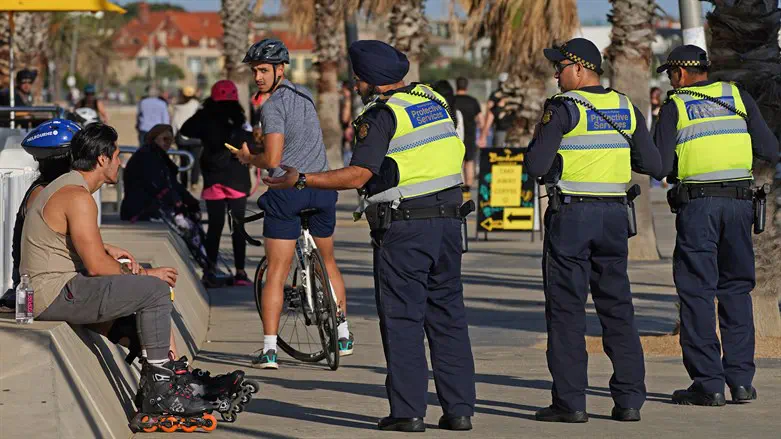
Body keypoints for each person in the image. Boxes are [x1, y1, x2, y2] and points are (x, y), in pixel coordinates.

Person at [252, 40, 476, 432]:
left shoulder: (383, 115)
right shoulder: (432, 101)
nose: (354, 85)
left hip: (406, 229)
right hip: (449, 223)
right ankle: (459, 411)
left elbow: (358, 175)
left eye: (357, 79)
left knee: (403, 319)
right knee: (449, 318)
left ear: (368, 81)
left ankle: (408, 413)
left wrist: (302, 178)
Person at [18, 123, 215, 423]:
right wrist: (148, 277)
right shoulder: (77, 196)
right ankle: (161, 390)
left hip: (46, 290)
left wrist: (118, 259)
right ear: (102, 160)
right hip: (51, 293)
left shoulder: (66, 187)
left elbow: (80, 248)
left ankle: (171, 378)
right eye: (117, 156)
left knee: (135, 308)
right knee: (155, 291)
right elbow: (97, 267)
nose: (120, 163)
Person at [524, 38, 662, 423]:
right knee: (617, 309)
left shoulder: (564, 108)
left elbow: (536, 165)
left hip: (572, 218)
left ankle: (570, 404)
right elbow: (652, 162)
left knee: (567, 312)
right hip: (614, 217)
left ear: (580, 69)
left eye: (560, 67)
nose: (555, 74)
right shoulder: (625, 106)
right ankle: (630, 400)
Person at [654, 45, 779, 406]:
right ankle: (741, 381)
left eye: (670, 75)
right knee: (736, 291)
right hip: (740, 205)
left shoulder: (676, 106)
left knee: (696, 293)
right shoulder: (736, 96)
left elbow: (661, 167)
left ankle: (708, 383)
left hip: (699, 208)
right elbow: (770, 149)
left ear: (679, 74)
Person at [232, 38, 351, 369]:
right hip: (321, 187)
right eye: (254, 71)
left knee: (278, 271)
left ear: (280, 69)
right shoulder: (306, 94)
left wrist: (247, 157)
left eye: (263, 70)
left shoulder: (271, 106)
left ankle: (270, 350)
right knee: (327, 261)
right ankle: (343, 333)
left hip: (287, 192)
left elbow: (272, 158)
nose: (257, 77)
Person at [180, 80, 253, 287]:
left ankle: (209, 270)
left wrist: (204, 112)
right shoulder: (239, 120)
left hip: (213, 178)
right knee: (238, 227)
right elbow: (251, 143)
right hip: (237, 178)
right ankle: (240, 272)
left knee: (214, 226)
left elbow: (186, 129)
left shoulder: (205, 118)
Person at [120, 124, 201, 222]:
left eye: (170, 140)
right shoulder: (147, 156)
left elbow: (173, 183)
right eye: (165, 139)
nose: (168, 143)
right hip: (139, 211)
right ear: (154, 138)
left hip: (150, 208)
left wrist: (192, 202)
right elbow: (158, 185)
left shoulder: (159, 156)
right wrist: (178, 203)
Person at [453, 77, 483, 200]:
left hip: (454, 136)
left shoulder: (452, 101)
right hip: (470, 136)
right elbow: (480, 120)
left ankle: (458, 186)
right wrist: (482, 135)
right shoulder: (473, 101)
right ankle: (468, 189)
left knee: (457, 162)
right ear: (467, 86)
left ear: (456, 86)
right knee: (469, 162)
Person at [172, 86, 203, 189]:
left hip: (181, 138)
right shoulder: (197, 105)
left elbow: (174, 122)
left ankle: (184, 184)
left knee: (183, 161)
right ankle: (194, 182)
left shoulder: (178, 107)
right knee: (196, 161)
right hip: (196, 137)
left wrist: (172, 135)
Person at [478, 72, 515, 148]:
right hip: (500, 128)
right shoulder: (496, 94)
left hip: (510, 129)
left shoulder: (513, 94)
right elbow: (489, 111)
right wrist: (486, 128)